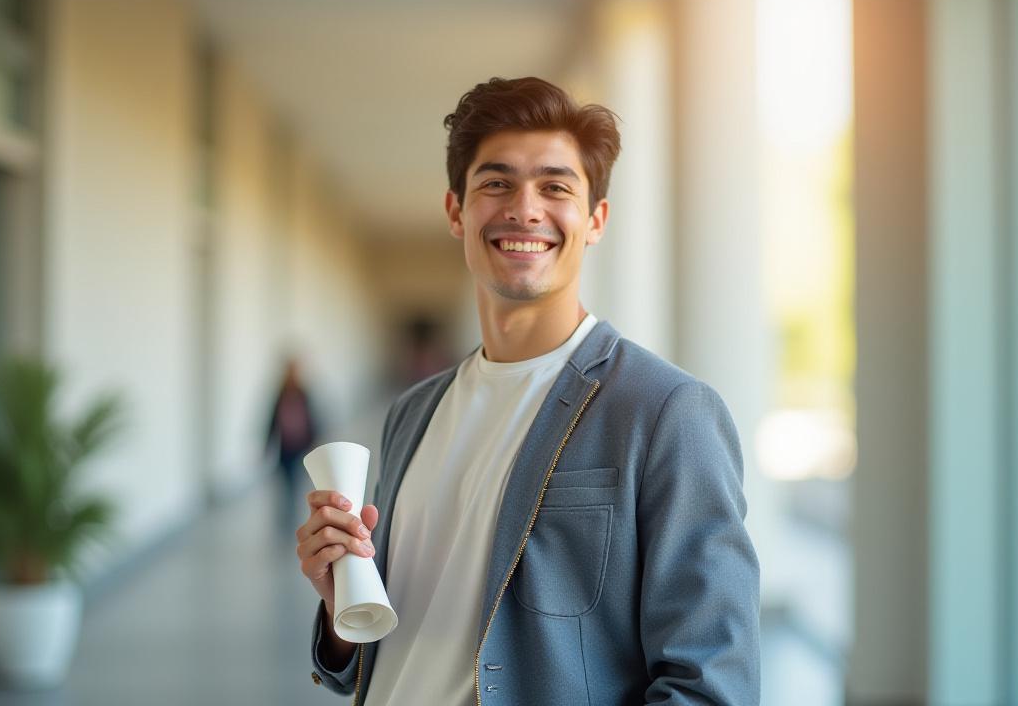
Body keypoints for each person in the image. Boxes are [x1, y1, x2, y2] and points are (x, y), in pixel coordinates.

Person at [295, 76, 760, 705]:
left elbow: (711, 684)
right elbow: (416, 639)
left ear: (595, 219)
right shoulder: (413, 413)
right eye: (496, 183)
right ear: (456, 211)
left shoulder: (665, 413)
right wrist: (342, 610)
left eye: (555, 186)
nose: (524, 208)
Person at [265, 356, 321, 527]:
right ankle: (286, 514)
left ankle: (292, 512)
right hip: (285, 448)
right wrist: (266, 445)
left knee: (295, 481)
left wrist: (315, 443)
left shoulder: (304, 393)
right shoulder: (280, 393)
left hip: (300, 447)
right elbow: (271, 421)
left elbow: (314, 419)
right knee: (285, 482)